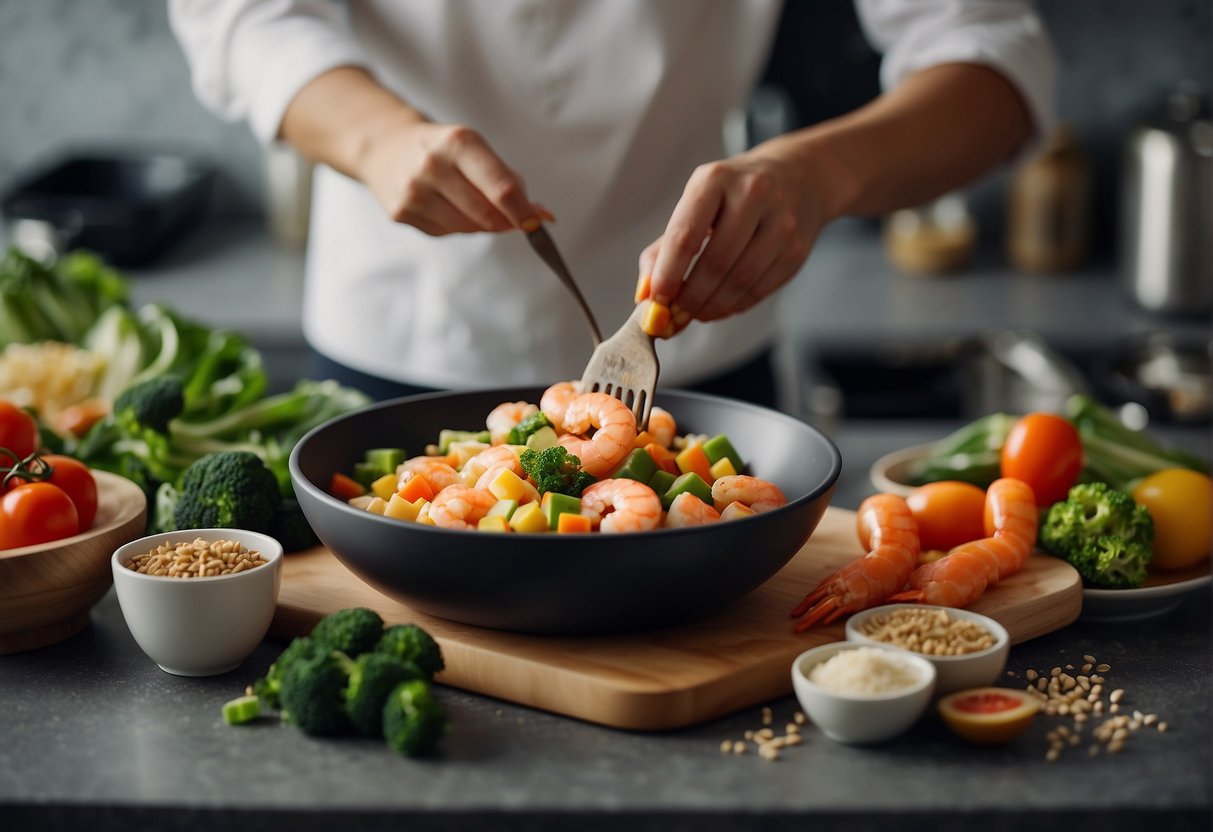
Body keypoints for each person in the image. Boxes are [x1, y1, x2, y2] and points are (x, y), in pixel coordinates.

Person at [169, 0, 1054, 408]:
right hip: (400, 335)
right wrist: (372, 136)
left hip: (705, 346)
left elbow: (991, 56)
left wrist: (819, 175)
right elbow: (239, 13)